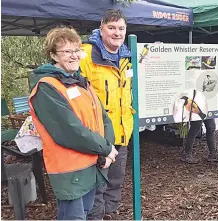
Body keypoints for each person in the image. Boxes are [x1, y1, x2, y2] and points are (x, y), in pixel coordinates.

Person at [28, 27, 118, 220]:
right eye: (67, 51)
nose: (74, 56)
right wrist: (106, 149)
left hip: (91, 165)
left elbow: (104, 119)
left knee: (86, 214)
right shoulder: (47, 87)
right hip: (70, 172)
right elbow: (70, 131)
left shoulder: (81, 82)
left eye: (77, 50)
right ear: (53, 55)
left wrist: (108, 148)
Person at [80, 9, 133, 220]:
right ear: (101, 29)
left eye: (121, 28)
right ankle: (96, 217)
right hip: (97, 135)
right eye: (111, 28)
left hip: (121, 133)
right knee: (97, 184)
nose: (117, 33)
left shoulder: (127, 57)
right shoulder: (85, 55)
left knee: (116, 181)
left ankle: (111, 213)